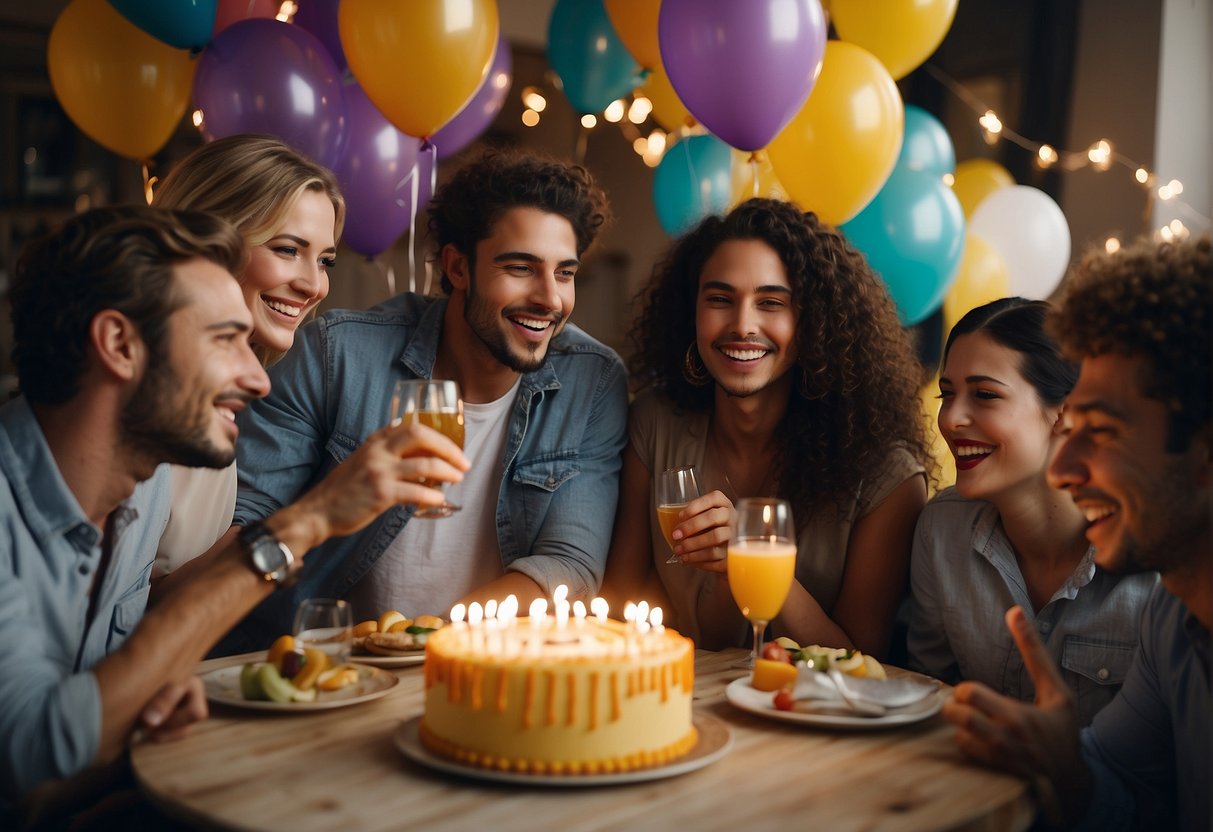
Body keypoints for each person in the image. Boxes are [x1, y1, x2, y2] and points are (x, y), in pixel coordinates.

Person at [0, 206, 466, 825]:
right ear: (118, 344)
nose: (258, 379)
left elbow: (51, 779)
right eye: (224, 339)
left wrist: (136, 724)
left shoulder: (143, 497)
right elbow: (38, 753)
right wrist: (308, 521)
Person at [224, 149, 628, 651]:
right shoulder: (335, 354)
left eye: (564, 273)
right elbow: (242, 534)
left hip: (479, 663)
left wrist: (428, 640)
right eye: (521, 267)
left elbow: (568, 563)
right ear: (458, 267)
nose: (550, 298)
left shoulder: (593, 379)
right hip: (322, 667)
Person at [942, 235, 1210, 831]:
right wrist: (1066, 765)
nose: (1063, 469)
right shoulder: (1177, 615)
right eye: (1075, 425)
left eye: (1105, 431)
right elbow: (1123, 791)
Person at [603, 198, 931, 655]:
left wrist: (752, 559)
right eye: (719, 299)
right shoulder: (654, 424)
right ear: (690, 311)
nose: (742, 325)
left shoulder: (886, 478)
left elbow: (862, 664)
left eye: (772, 302)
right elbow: (620, 608)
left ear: (813, 321)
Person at [908, 298, 1156, 725]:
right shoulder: (941, 529)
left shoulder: (1156, 566)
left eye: (984, 395)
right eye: (947, 395)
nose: (950, 419)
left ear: (1066, 411)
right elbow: (923, 695)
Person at [150, 133, 345, 576]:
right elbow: (115, 629)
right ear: (208, 242)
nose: (314, 286)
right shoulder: (144, 402)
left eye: (324, 261)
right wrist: (312, 520)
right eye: (288, 250)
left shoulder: (223, 405)